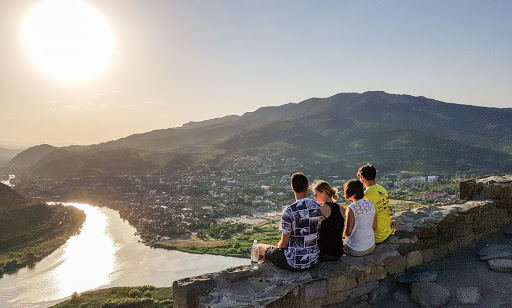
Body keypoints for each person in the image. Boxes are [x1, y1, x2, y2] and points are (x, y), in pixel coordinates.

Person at [257, 172, 323, 270]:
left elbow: (283, 244)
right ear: (307, 187)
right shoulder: (318, 206)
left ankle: (255, 272)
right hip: (313, 259)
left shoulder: (289, 211)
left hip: (293, 262)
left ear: (292, 188)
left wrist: (276, 249)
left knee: (257, 247)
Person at [357, 163, 392, 244]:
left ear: (362, 177)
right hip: (387, 231)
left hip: (376, 236)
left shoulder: (366, 195)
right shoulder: (382, 189)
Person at [311, 180, 345, 261]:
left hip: (325, 252)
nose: (315, 197)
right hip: (338, 251)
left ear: (323, 192)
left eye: (316, 194)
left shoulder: (323, 208)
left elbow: (312, 229)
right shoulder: (340, 208)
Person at [343, 179, 376, 257]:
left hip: (355, 250)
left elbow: (348, 233)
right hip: (371, 246)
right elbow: (374, 227)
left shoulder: (351, 208)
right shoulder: (371, 204)